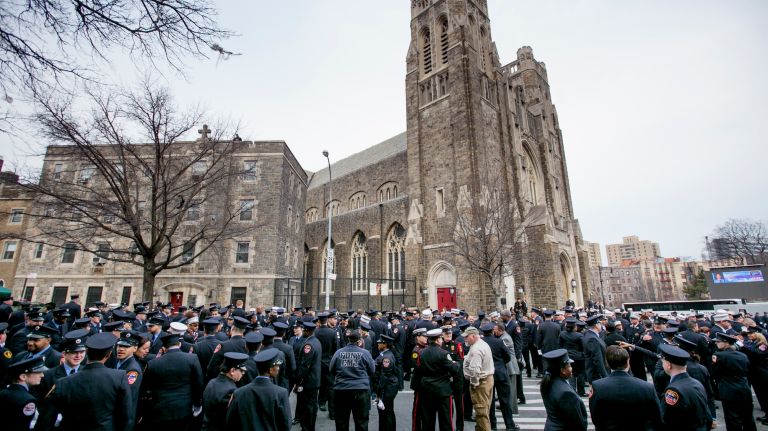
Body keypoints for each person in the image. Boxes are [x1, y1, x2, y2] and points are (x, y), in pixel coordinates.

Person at [46, 332, 134, 431]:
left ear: (86, 352)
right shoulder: (119, 377)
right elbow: (126, 416)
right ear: (109, 354)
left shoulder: (63, 382)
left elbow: (47, 418)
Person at [589, 345, 662, 430]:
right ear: (628, 362)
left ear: (607, 363)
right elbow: (656, 417)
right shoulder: (647, 387)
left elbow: (595, 417)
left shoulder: (598, 386)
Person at [141, 332, 204, 428]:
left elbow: (146, 387)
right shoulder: (192, 359)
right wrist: (197, 404)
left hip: (160, 409)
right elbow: (198, 384)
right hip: (184, 408)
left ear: (163, 348)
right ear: (179, 344)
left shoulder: (153, 363)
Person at [226, 348, 291, 431]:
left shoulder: (239, 393)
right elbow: (286, 425)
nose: (278, 368)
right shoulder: (281, 393)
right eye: (277, 365)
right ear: (270, 370)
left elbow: (231, 423)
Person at [329, 329, 376, 431]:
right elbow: (372, 370)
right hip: (361, 389)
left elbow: (331, 369)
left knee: (341, 421)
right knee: (361, 421)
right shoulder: (365, 353)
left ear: (348, 340)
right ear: (359, 341)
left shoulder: (339, 352)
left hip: (341, 389)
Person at [657, 343, 711, 430]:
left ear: (669, 365)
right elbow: (707, 414)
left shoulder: (673, 391)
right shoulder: (696, 383)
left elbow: (668, 421)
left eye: (663, 362)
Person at [416, 328, 460, 431]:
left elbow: (419, 368)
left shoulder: (421, 352)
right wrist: (456, 363)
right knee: (446, 421)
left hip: (427, 388)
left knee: (427, 421)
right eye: (440, 338)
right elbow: (454, 369)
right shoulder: (443, 353)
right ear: (437, 340)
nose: (442, 340)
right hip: (442, 390)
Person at [712, 332, 756, 431]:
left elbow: (714, 372)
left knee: (733, 419)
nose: (716, 343)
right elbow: (748, 370)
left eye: (718, 341)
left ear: (726, 343)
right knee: (748, 417)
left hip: (728, 390)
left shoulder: (719, 355)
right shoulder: (743, 355)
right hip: (744, 388)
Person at [540, 348, 588, 431]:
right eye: (569, 365)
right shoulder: (566, 393)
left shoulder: (549, 382)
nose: (571, 368)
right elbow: (578, 421)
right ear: (562, 370)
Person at [202, 352, 248, 431]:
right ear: (232, 370)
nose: (243, 373)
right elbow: (231, 418)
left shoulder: (212, 382)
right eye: (241, 370)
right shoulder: (231, 391)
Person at [0, 356, 47, 431]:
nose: (42, 375)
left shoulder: (3, 392)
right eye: (38, 372)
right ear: (23, 376)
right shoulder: (28, 400)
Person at [295, 320, 322, 431]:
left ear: (306, 331)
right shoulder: (316, 341)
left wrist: (299, 381)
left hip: (308, 381)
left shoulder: (308, 345)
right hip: (314, 380)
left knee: (307, 407)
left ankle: (307, 428)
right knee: (312, 405)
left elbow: (305, 365)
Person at [373, 334, 400, 431]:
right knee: (388, 411)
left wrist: (379, 393)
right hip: (388, 387)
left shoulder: (386, 358)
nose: (378, 344)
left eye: (380, 343)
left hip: (387, 388)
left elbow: (384, 377)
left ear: (385, 344)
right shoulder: (384, 354)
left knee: (385, 412)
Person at [582, 314, 608, 384]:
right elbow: (597, 360)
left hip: (597, 375)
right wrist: (605, 376)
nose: (601, 325)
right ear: (596, 325)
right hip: (597, 375)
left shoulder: (592, 336)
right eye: (600, 323)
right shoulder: (592, 339)